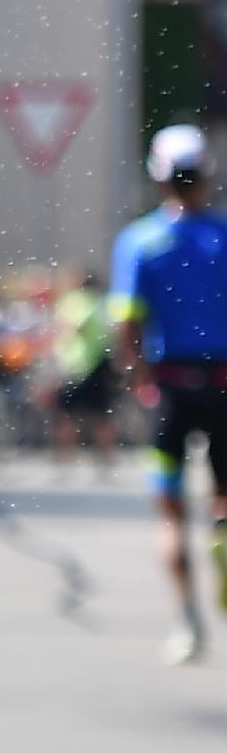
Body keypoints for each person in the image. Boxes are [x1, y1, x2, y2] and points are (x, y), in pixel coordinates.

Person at [110, 124, 227, 664]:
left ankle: (188, 622)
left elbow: (126, 328)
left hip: (171, 390)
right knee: (223, 507)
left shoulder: (140, 242)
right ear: (207, 175)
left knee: (171, 513)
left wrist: (140, 380)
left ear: (158, 179)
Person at [45, 261, 118, 463]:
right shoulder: (100, 301)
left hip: (80, 364)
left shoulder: (78, 301)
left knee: (68, 414)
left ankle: (66, 456)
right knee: (100, 413)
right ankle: (104, 456)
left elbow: (77, 326)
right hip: (93, 363)